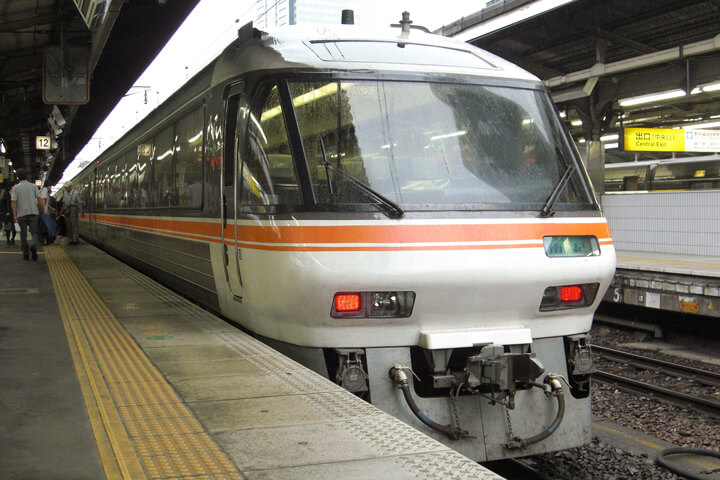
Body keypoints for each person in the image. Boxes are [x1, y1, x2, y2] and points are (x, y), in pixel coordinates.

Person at [11, 169, 45, 261]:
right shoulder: (33, 186)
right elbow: (39, 199)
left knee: (23, 234)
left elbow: (14, 202)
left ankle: (26, 253)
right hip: (33, 213)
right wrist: (44, 211)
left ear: (18, 177)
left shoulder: (16, 188)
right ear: (27, 176)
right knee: (34, 233)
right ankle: (33, 245)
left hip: (21, 214)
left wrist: (14, 215)